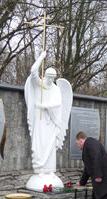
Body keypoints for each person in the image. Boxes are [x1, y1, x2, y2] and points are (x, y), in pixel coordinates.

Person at [24, 51, 73, 189]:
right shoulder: (40, 85)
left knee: (50, 146)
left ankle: (49, 170)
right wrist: (41, 57)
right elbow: (33, 72)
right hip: (40, 121)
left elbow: (58, 104)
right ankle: (39, 170)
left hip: (51, 120)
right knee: (39, 143)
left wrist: (44, 106)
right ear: (45, 76)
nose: (51, 80)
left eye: (53, 78)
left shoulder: (56, 89)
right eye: (49, 77)